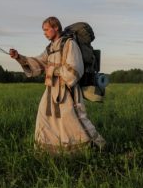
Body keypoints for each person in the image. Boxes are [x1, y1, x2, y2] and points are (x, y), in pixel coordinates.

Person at [9, 16, 105, 153]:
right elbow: (39, 63)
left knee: (75, 120)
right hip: (51, 91)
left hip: (68, 91)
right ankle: (50, 152)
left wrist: (53, 70)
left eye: (47, 29)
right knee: (45, 118)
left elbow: (75, 69)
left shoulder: (70, 44)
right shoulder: (50, 48)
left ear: (56, 27)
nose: (45, 33)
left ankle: (98, 147)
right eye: (44, 30)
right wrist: (19, 57)